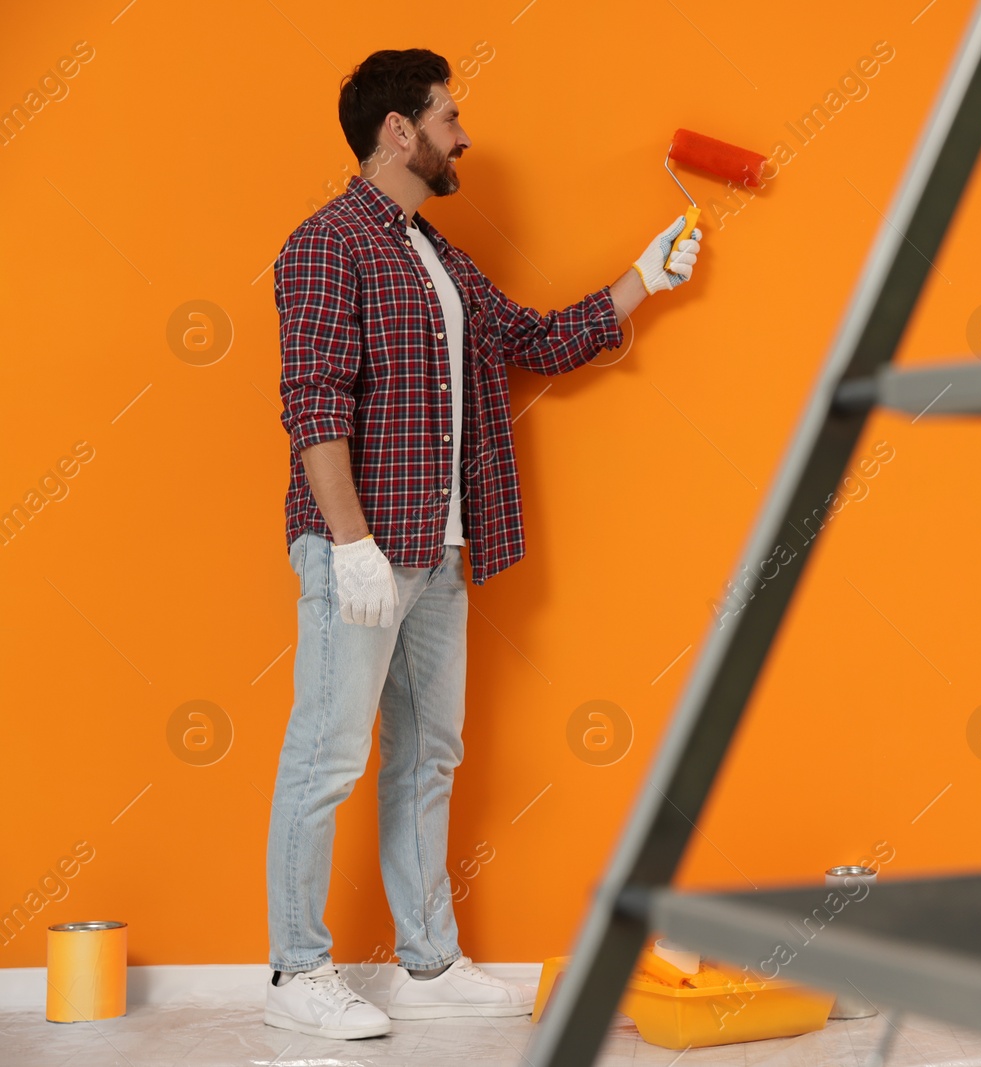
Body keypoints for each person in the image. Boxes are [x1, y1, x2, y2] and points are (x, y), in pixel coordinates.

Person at [264, 47, 701, 1040]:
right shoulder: (328, 244)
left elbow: (534, 341)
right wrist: (349, 544)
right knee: (326, 756)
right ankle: (295, 974)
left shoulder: (439, 255)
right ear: (397, 131)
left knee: (430, 756)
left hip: (443, 550)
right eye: (449, 117)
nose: (465, 135)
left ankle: (425, 962)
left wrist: (644, 278)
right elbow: (314, 402)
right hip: (364, 549)